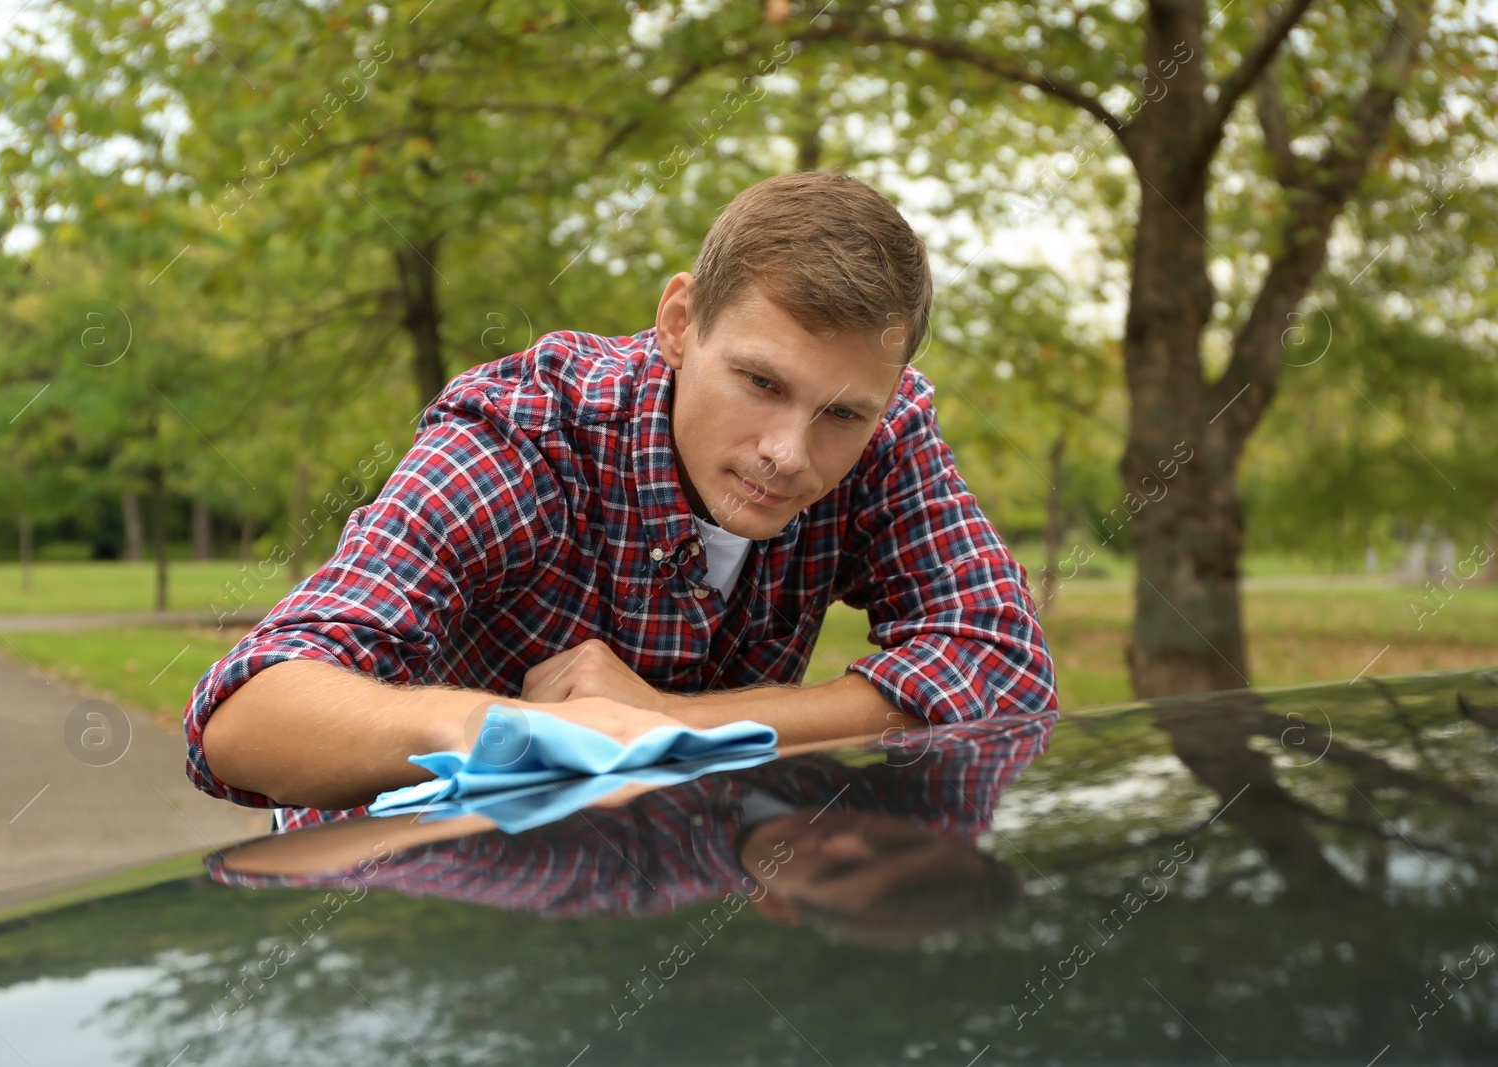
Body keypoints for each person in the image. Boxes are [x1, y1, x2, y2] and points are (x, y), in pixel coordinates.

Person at [183, 170, 1059, 831]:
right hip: (417, 911)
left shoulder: (885, 429)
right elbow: (243, 715)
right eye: (759, 381)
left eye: (841, 414)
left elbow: (1002, 665)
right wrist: (525, 735)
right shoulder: (523, 438)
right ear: (680, 323)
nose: (789, 453)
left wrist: (674, 723)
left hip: (682, 907)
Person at [208, 711, 1058, 947]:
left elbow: (385, 855)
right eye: (894, 839)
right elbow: (999, 702)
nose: (845, 839)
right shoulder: (857, 787)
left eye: (834, 873)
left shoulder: (623, 872)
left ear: (776, 905)